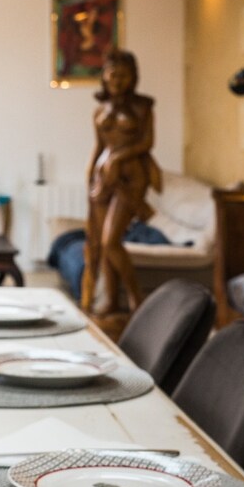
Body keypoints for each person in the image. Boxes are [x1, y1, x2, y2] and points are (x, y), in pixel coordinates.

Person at [81, 50, 160, 317]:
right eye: (113, 74)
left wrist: (117, 158)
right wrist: (91, 172)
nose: (117, 79)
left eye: (124, 75)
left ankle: (137, 299)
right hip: (103, 179)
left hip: (131, 176)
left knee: (110, 241)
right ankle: (111, 300)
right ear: (104, 76)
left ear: (133, 77)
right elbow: (99, 145)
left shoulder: (143, 107)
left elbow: (147, 142)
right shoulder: (99, 111)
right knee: (100, 244)